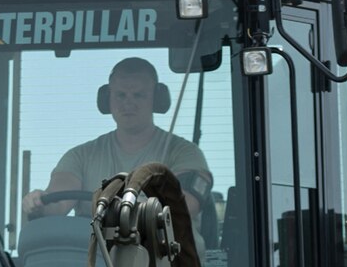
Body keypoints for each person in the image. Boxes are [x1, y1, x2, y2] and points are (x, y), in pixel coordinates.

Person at [23, 56, 211, 221]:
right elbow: (58, 201)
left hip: (164, 258)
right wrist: (39, 202)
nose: (129, 103)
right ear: (107, 99)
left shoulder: (183, 153)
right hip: (94, 259)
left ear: (157, 99)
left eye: (138, 95)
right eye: (121, 95)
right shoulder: (81, 156)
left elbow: (186, 204)